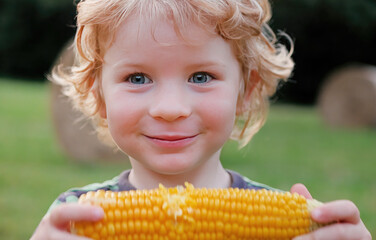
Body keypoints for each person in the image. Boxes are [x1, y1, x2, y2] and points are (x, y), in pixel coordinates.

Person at [31, 0, 371, 239]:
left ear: (246, 91)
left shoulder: (296, 230)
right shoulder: (73, 217)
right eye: (137, 78)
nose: (170, 108)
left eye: (201, 76)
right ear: (99, 95)